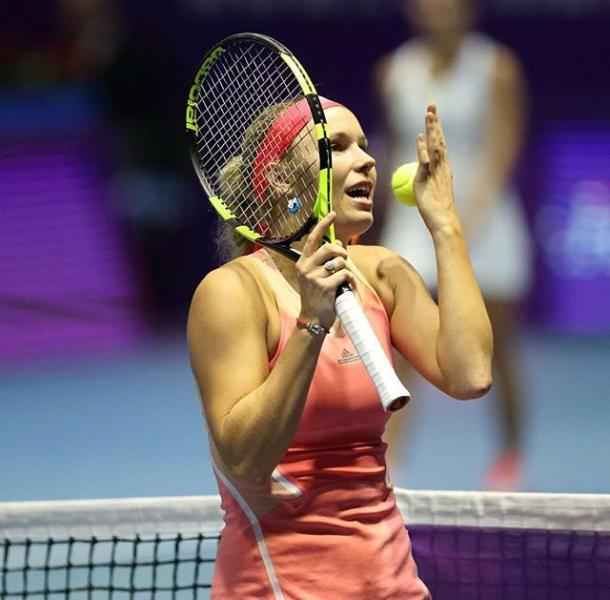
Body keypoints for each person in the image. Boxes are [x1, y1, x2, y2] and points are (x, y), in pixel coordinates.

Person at [187, 99, 493, 598]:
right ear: (282, 180)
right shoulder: (233, 293)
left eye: (365, 146)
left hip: (394, 584)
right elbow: (244, 460)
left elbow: (470, 374)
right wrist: (311, 323)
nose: (367, 160)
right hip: (281, 587)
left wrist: (444, 224)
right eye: (336, 146)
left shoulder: (382, 274)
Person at [373, 0, 532, 491]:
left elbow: (505, 145)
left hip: (485, 222)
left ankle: (509, 458)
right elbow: (395, 147)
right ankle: (391, 463)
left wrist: (464, 218)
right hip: (411, 221)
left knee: (498, 349)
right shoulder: (393, 72)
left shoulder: (498, 67)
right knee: (399, 349)